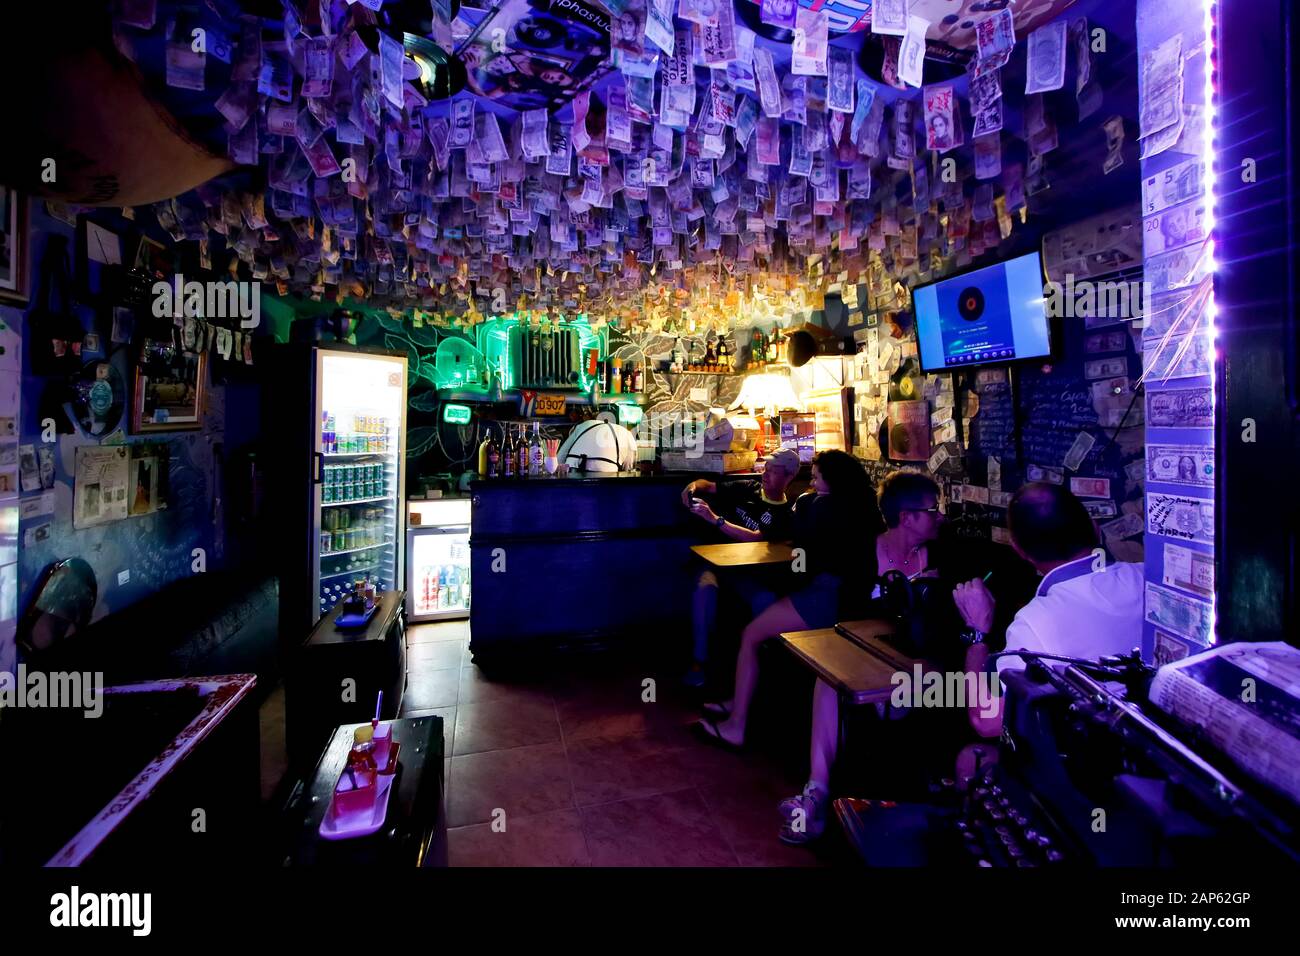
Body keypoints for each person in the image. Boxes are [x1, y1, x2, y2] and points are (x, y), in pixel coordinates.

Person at [776, 471, 1031, 845]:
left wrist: (935, 596)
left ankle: (891, 815)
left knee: (902, 694)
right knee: (829, 679)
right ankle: (816, 793)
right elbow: (846, 620)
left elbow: (965, 617)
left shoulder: (948, 554)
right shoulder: (862, 552)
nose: (940, 516)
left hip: (929, 667)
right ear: (907, 517)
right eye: (933, 510)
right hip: (868, 656)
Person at [695, 453, 884, 746]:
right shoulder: (865, 507)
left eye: (816, 478)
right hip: (850, 598)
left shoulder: (821, 507)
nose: (811, 483)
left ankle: (737, 726)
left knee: (751, 635)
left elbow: (794, 546)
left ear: (832, 481)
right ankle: (739, 701)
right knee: (761, 612)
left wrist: (803, 506)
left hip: (825, 597)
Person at [952, 482, 1144, 737]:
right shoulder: (1147, 577)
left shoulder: (1035, 623)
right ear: (1096, 530)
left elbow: (987, 721)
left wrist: (977, 634)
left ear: (1020, 551)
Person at [682, 449, 800, 688]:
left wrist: (715, 519)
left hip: (748, 573)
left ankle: (761, 669)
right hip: (716, 563)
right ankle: (699, 660)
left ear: (788, 477)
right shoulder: (748, 486)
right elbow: (710, 486)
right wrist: (693, 486)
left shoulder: (786, 515)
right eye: (765, 469)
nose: (765, 475)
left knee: (765, 599)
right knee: (705, 589)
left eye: (773, 472)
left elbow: (756, 538)